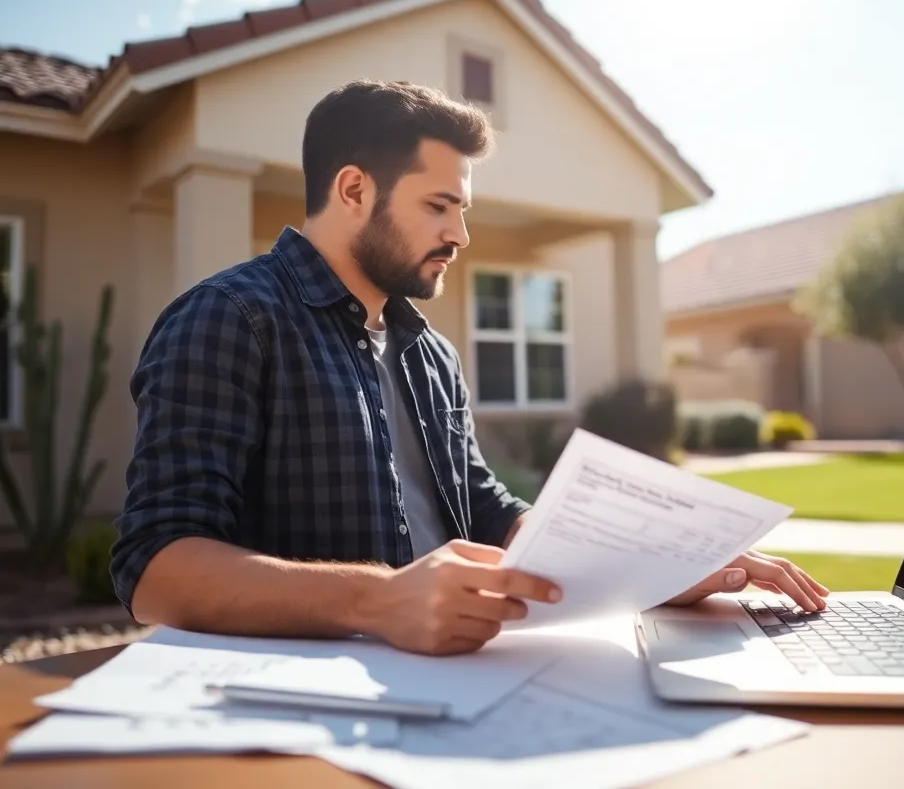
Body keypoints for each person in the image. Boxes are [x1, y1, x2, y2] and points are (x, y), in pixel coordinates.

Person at [111, 79, 829, 657]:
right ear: (354, 190)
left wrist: (651, 567)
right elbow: (155, 566)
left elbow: (486, 508)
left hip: (464, 686)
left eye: (463, 209)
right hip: (301, 718)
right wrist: (378, 600)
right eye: (439, 206)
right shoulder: (230, 319)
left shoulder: (430, 353)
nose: (459, 234)